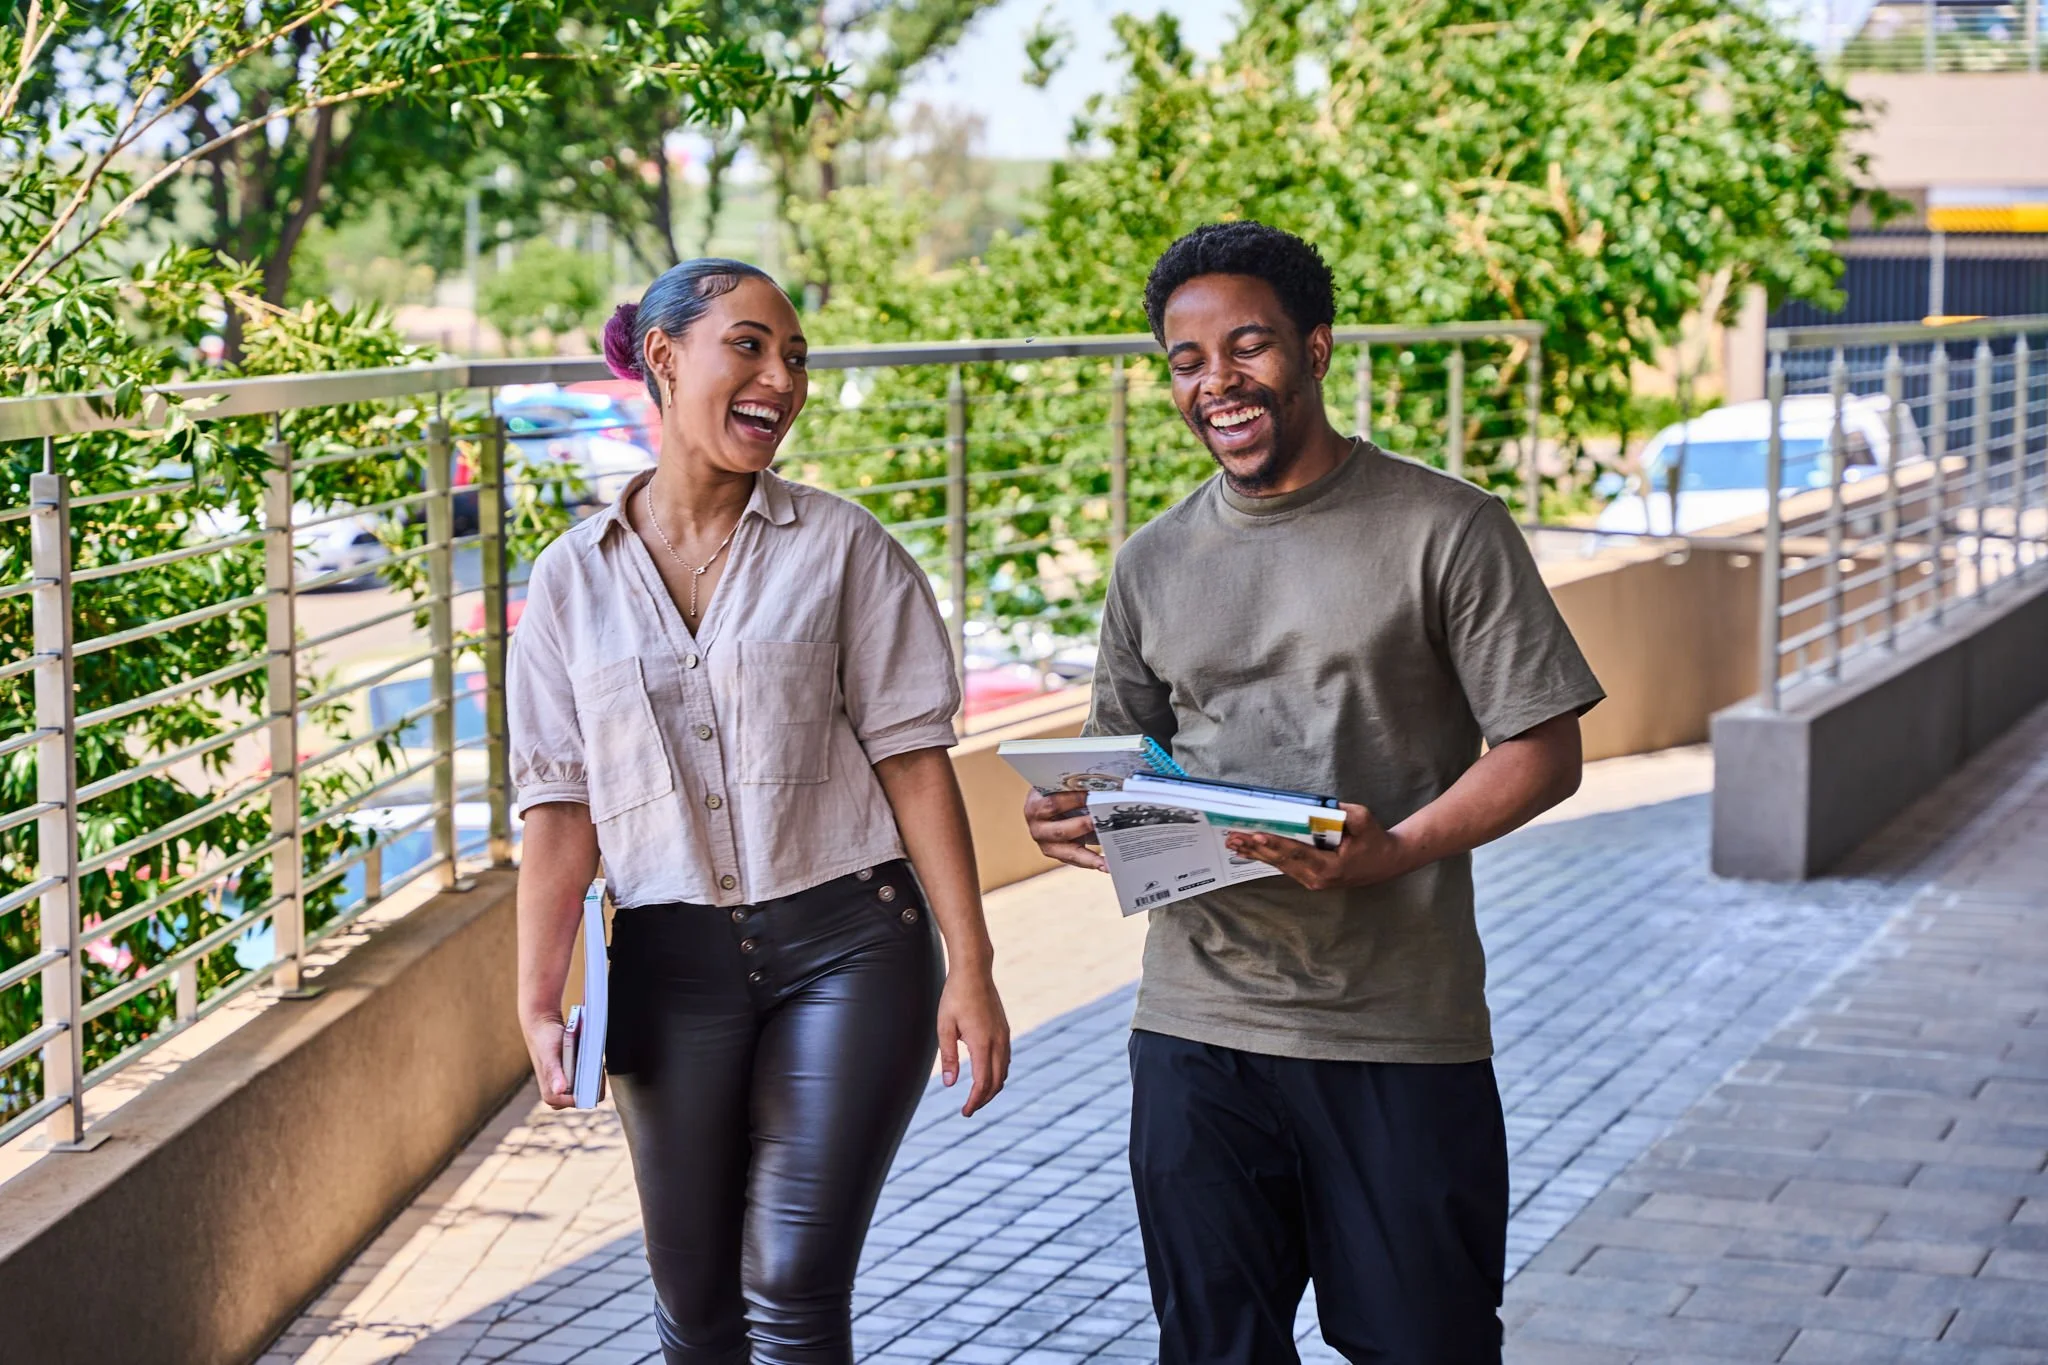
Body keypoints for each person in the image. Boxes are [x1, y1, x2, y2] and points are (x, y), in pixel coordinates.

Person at [1025, 222, 1605, 1363]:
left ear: (1316, 348)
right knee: (1214, 1350)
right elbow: (1120, 759)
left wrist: (1395, 851)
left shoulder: (1446, 525)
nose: (1216, 383)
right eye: (1186, 361)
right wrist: (1071, 812)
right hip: (1195, 1026)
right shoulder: (1152, 561)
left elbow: (1543, 747)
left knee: (1420, 1346)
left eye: (1247, 347)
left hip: (1395, 1028)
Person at [510, 258, 1011, 1365]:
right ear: (662, 355)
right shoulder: (569, 581)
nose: (780, 378)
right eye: (749, 345)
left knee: (788, 1283)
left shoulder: (843, 549)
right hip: (663, 960)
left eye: (794, 358)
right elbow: (558, 803)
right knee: (694, 1305)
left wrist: (970, 965)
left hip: (850, 945)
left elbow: (914, 763)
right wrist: (539, 994)